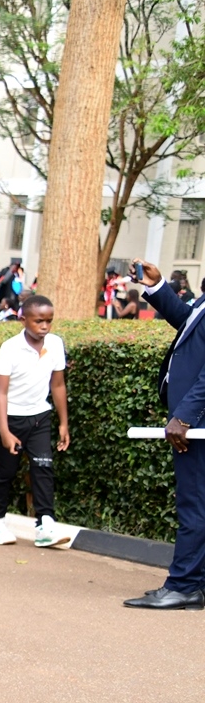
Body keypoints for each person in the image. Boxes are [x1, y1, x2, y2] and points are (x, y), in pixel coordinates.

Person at [125, 260, 205, 608]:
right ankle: (193, 583)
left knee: (195, 506)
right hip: (194, 422)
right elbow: (187, 322)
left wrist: (185, 417)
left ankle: (184, 585)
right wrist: (157, 288)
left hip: (197, 426)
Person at [0, 293, 71, 549]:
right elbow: (1, 392)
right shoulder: (10, 348)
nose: (44, 327)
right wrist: (4, 431)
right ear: (23, 320)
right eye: (38, 321)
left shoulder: (54, 344)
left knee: (43, 468)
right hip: (7, 416)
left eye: (49, 321)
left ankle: (45, 524)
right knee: (4, 472)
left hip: (39, 417)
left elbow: (58, 384)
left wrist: (63, 423)